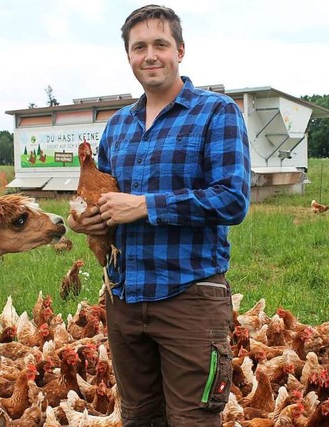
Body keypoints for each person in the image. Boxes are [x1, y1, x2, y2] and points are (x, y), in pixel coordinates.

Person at [67, 4, 250, 426]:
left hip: (189, 299)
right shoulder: (118, 126)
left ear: (180, 51)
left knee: (192, 420)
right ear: (129, 56)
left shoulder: (216, 113)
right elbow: (107, 201)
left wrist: (147, 206)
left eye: (160, 45)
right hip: (125, 302)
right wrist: (87, 221)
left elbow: (232, 199)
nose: (150, 55)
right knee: (139, 418)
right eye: (139, 47)